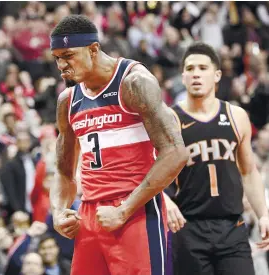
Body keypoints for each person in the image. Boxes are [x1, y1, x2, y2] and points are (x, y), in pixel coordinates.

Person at [49, 15, 188, 275]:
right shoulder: (68, 100)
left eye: (68, 56)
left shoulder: (134, 82)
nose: (61, 65)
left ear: (93, 49)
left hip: (135, 211)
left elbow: (175, 152)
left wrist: (123, 211)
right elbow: (63, 171)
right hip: (89, 215)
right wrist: (58, 211)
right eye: (57, 58)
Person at [164, 42, 269, 275]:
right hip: (188, 227)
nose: (196, 74)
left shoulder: (236, 116)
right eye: (190, 69)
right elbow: (149, 171)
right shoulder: (169, 120)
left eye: (203, 68)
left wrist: (263, 214)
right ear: (182, 76)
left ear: (217, 75)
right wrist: (165, 200)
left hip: (231, 226)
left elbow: (249, 171)